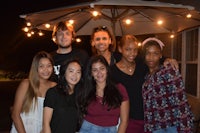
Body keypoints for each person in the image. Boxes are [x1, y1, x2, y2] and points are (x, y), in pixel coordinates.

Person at [110, 35, 179, 133]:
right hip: (129, 120)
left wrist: (167, 59)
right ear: (120, 49)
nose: (132, 53)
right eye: (128, 49)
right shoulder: (113, 72)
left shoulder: (142, 65)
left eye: (135, 50)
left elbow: (155, 59)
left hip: (150, 119)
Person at [141, 37, 194, 133]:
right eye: (148, 53)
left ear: (161, 55)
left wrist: (185, 128)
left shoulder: (168, 71)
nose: (151, 57)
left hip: (171, 126)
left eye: (155, 53)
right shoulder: (146, 76)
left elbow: (181, 101)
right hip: (154, 126)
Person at [78, 55, 129, 133]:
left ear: (107, 70)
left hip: (111, 130)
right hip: (88, 129)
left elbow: (124, 121)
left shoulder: (119, 89)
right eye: (95, 70)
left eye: (102, 69)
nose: (99, 73)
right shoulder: (86, 90)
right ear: (91, 73)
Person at [10, 51, 57, 133]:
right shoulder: (26, 84)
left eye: (49, 66)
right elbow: (15, 114)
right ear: (35, 68)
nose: (46, 70)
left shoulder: (55, 87)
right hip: (22, 129)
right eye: (41, 66)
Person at [42, 59, 83, 133]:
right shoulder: (53, 93)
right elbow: (45, 124)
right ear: (64, 72)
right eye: (71, 71)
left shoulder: (79, 95)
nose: (75, 75)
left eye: (78, 72)